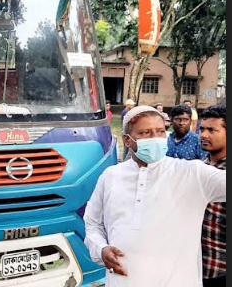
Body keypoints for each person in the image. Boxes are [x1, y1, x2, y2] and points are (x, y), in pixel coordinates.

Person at [83, 105, 226, 286]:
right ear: (127, 140)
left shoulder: (191, 173)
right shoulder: (111, 176)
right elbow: (93, 223)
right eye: (146, 133)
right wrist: (101, 249)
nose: (156, 138)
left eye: (160, 131)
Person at [199, 105, 226, 287]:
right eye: (202, 129)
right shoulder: (200, 167)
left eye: (211, 130)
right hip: (197, 269)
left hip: (221, 270)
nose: (203, 135)